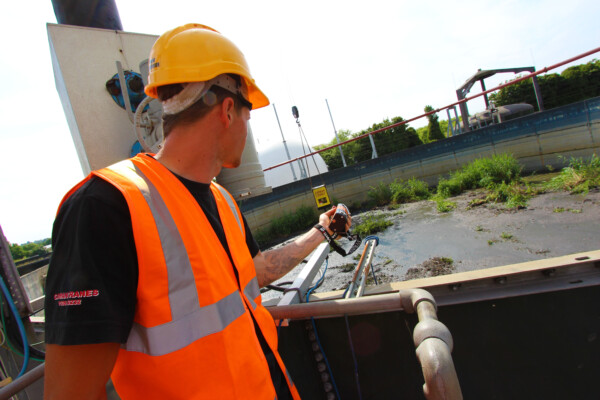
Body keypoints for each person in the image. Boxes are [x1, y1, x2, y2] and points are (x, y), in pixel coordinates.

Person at [43, 23, 350, 399]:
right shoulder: (105, 206)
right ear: (227, 110)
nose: (250, 123)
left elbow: (254, 272)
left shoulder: (221, 200)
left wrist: (320, 232)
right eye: (248, 110)